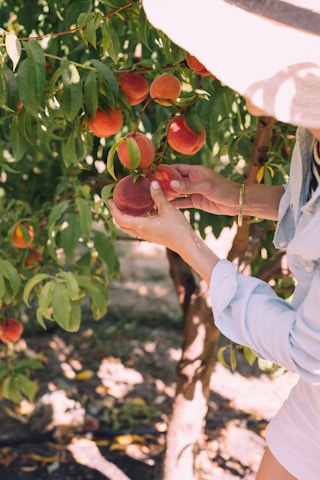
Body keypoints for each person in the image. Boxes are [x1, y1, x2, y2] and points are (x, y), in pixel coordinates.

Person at [109, 1, 320, 479]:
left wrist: (191, 247)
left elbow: (306, 351)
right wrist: (231, 196)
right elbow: (312, 209)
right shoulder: (314, 133)